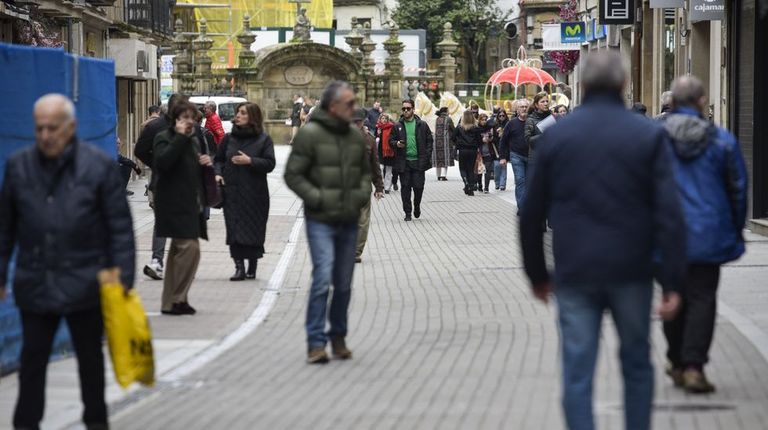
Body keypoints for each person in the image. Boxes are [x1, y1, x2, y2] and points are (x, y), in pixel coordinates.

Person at [520, 51, 686, 430]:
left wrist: (537, 275)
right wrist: (674, 281)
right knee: (636, 362)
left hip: (576, 269)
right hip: (633, 268)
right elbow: (670, 212)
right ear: (625, 84)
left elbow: (532, 212)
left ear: (581, 85)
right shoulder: (648, 134)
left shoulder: (558, 137)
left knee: (577, 367)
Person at [0, 94, 135, 429]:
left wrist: (123, 279)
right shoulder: (20, 166)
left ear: (71, 127)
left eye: (53, 128)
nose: (46, 135)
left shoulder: (97, 166)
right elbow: (5, 229)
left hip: (86, 281)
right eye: (40, 128)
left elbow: (119, 227)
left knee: (89, 363)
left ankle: (96, 422)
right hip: (36, 281)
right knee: (32, 364)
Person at [661, 76, 748, 394]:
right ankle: (694, 365)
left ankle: (677, 360)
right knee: (702, 298)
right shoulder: (721, 140)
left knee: (673, 295)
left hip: (666, 236)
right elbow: (738, 189)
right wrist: (734, 229)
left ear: (671, 104)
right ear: (701, 101)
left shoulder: (654, 140)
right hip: (707, 233)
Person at [284, 81, 371, 364]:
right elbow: (293, 175)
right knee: (323, 278)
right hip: (320, 218)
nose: (353, 108)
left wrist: (357, 197)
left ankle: (338, 336)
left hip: (347, 218)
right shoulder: (310, 135)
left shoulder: (355, 137)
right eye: (348, 103)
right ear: (333, 107)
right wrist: (317, 198)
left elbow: (364, 174)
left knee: (343, 283)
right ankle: (315, 342)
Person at [153, 100, 212, 316]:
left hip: (191, 203)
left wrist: (203, 162)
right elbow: (163, 163)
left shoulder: (194, 140)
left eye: (192, 118)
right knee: (189, 250)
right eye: (184, 118)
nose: (189, 122)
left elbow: (188, 167)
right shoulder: (164, 138)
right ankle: (177, 298)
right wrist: (179, 137)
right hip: (173, 204)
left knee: (180, 252)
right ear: (174, 120)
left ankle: (173, 301)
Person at [214, 102, 276, 281]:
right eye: (238, 113)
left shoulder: (263, 139)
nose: (238, 115)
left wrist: (250, 161)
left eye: (242, 113)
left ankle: (252, 266)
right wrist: (218, 174)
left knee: (254, 230)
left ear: (252, 117)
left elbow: (270, 164)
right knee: (233, 229)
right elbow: (218, 160)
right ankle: (239, 267)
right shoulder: (228, 139)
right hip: (232, 193)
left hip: (255, 194)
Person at [135, 93, 187, 281]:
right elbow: (139, 150)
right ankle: (159, 261)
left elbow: (203, 152)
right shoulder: (156, 127)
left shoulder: (190, 127)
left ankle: (162, 261)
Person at [393, 99, 433, 221]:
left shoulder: (422, 125)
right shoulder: (397, 125)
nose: (405, 111)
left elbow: (429, 141)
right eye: (403, 109)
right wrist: (396, 143)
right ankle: (408, 212)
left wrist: (426, 155)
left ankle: (417, 205)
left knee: (418, 187)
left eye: (408, 108)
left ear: (413, 109)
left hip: (418, 162)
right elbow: (391, 140)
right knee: (405, 188)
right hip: (404, 162)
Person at [353, 108, 384, 263]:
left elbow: (375, 164)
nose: (356, 124)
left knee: (363, 221)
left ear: (363, 121)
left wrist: (379, 187)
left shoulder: (369, 139)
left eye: (358, 121)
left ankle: (356, 252)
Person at [500, 99, 530, 213]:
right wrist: (503, 157)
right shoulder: (511, 123)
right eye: (521, 107)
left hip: (531, 156)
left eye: (526, 107)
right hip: (516, 156)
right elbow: (503, 141)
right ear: (517, 110)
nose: (524, 109)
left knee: (530, 182)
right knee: (520, 180)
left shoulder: (531, 122)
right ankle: (522, 207)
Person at [454, 109, 481, 196]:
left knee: (462, 168)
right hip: (473, 150)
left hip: (462, 150)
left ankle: (466, 184)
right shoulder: (476, 128)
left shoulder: (459, 127)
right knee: (470, 169)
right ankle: (470, 187)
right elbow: (479, 140)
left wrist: (458, 143)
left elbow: (452, 137)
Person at [525, 92, 552, 164]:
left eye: (547, 101)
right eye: (542, 102)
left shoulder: (552, 117)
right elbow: (528, 140)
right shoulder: (530, 120)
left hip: (551, 156)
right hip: (537, 158)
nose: (546, 104)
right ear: (536, 105)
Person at [376, 113, 399, 193]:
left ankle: (387, 188)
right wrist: (378, 134)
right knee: (381, 168)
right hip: (381, 151)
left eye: (385, 118)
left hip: (390, 152)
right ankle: (381, 185)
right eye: (382, 118)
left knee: (389, 171)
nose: (384, 120)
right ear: (380, 119)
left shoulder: (391, 127)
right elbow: (376, 138)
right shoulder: (378, 128)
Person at [432, 106, 455, 181]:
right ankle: (443, 176)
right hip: (446, 141)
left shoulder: (437, 119)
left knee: (438, 158)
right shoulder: (448, 119)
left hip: (437, 140)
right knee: (446, 158)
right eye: (448, 110)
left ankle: (438, 176)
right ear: (446, 111)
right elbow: (453, 129)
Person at [477, 113, 498, 194]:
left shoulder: (490, 128)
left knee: (488, 171)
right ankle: (479, 185)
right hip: (479, 153)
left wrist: (491, 139)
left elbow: (496, 139)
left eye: (485, 120)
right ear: (479, 120)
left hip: (489, 152)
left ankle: (486, 187)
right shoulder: (477, 129)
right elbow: (474, 141)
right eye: (482, 120)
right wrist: (481, 140)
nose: (484, 121)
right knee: (480, 171)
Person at [492, 109, 509, 190]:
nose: (502, 117)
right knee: (496, 167)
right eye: (500, 116)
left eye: (503, 115)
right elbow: (492, 138)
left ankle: (502, 184)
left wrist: (504, 134)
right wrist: (498, 135)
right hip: (496, 149)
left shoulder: (508, 124)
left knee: (503, 167)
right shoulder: (494, 125)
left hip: (505, 149)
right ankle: (497, 183)